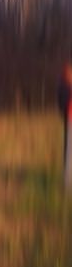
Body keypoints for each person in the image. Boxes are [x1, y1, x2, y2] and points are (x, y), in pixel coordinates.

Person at [58, 61, 72, 193]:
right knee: (68, 153)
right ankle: (67, 185)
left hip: (68, 119)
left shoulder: (64, 87)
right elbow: (65, 105)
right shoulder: (65, 88)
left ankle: (67, 183)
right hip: (70, 120)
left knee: (68, 152)